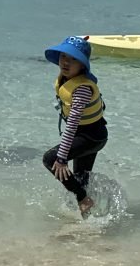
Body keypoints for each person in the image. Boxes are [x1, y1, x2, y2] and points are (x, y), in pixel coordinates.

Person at [43, 35, 107, 218]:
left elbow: (72, 124)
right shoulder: (67, 79)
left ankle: (83, 199)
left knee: (50, 159)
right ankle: (88, 221)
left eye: (73, 59)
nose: (66, 62)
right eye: (64, 56)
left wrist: (62, 158)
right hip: (90, 135)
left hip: (90, 137)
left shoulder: (82, 89)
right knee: (80, 179)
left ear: (82, 65)